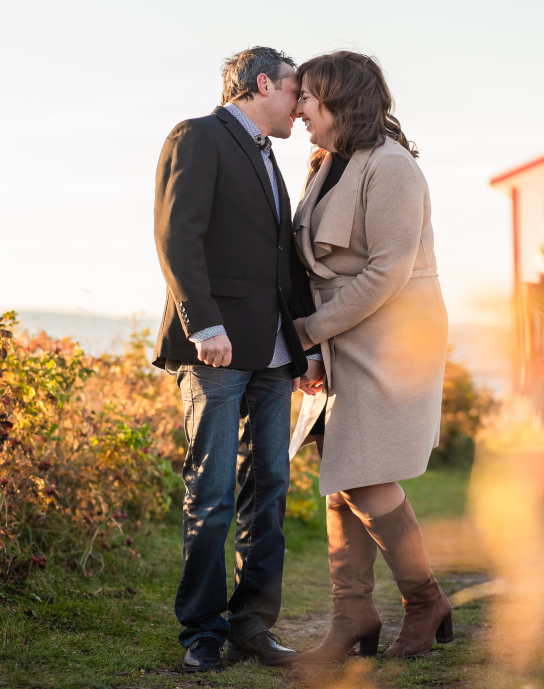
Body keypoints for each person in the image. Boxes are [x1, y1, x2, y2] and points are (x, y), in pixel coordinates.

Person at [153, 46, 325, 673]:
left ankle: (253, 625)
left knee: (270, 490)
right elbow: (176, 234)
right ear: (262, 85)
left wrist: (302, 349)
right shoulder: (198, 136)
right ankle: (201, 631)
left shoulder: (269, 160)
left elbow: (282, 267)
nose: (299, 106)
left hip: (275, 356)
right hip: (218, 350)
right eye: (293, 93)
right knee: (214, 491)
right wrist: (204, 325)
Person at [289, 51, 452, 662]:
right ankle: (352, 614)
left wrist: (307, 331)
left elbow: (388, 269)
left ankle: (424, 600)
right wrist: (314, 339)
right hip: (340, 335)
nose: (299, 106)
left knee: (362, 472)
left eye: (308, 96)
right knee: (341, 471)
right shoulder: (327, 162)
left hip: (390, 337)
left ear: (339, 100)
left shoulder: (393, 167)